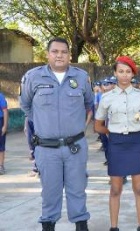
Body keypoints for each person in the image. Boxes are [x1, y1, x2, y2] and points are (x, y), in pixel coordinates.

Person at [20, 37, 93, 231]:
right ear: (48, 54)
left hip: (75, 147)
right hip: (46, 148)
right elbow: (26, 106)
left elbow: (88, 104)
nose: (59, 55)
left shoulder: (81, 77)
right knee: (50, 192)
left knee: (77, 190)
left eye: (64, 52)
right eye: (55, 51)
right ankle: (48, 224)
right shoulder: (33, 77)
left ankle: (81, 225)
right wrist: (45, 123)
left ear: (69, 55)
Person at [94, 56, 140, 231]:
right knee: (115, 189)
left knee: (138, 188)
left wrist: (138, 126)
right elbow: (98, 126)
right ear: (115, 73)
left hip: (136, 142)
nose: (124, 75)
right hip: (116, 144)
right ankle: (114, 227)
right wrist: (113, 132)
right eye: (120, 71)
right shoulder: (106, 97)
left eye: (128, 72)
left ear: (133, 74)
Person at [0, 92, 8, 175]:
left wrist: (5, 126)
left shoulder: (0, 96)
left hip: (0, 121)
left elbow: (5, 111)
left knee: (1, 145)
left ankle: (1, 166)